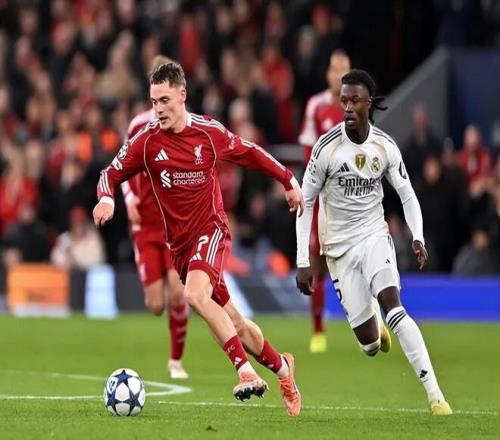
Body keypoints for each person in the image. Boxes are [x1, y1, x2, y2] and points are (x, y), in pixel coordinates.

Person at [93, 61, 303, 416]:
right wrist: (107, 198)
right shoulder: (146, 142)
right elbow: (110, 173)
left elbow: (250, 152)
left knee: (193, 294)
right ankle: (284, 370)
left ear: (182, 95)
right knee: (236, 323)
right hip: (180, 247)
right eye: (154, 102)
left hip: (212, 230)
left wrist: (288, 179)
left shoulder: (208, 133)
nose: (158, 109)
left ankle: (245, 372)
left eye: (164, 100)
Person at [295, 69, 452, 415]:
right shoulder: (326, 149)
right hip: (338, 250)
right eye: (344, 101)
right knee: (369, 345)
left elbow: (407, 194)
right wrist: (303, 260)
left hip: (373, 235)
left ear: (369, 103)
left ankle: (435, 395)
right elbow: (304, 202)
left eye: (355, 100)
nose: (348, 107)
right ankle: (373, 324)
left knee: (394, 306)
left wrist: (417, 236)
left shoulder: (385, 146)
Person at [298, 49, 388, 353]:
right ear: (328, 73)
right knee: (318, 259)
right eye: (334, 69)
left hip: (355, 195)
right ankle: (318, 329)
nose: (338, 74)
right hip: (325, 198)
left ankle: (372, 314)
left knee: (362, 255)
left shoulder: (358, 105)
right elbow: (307, 152)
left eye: (343, 69)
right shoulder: (316, 106)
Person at [120, 55, 189, 380]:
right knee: (155, 305)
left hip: (173, 224)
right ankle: (154, 280)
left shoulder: (183, 126)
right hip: (145, 224)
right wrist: (129, 198)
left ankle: (176, 361)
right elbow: (121, 166)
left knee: (178, 293)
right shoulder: (138, 126)